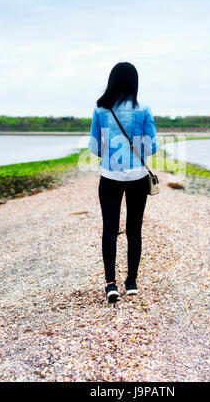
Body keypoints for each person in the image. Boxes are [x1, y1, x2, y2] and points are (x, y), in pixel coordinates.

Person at [88, 62, 158, 303]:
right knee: (134, 229)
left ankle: (110, 285)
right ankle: (131, 282)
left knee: (110, 230)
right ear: (134, 83)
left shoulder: (100, 110)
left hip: (109, 177)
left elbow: (95, 148)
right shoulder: (144, 109)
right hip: (137, 176)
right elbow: (152, 147)